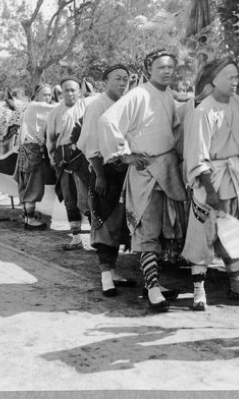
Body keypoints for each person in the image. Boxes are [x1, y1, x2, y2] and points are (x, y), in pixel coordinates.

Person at [99, 49, 187, 312]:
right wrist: (126, 156)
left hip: (168, 170)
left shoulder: (168, 94)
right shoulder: (138, 94)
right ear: (149, 69)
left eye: (170, 67)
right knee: (146, 230)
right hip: (146, 171)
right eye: (161, 67)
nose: (167, 71)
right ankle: (152, 288)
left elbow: (174, 128)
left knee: (163, 229)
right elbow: (107, 121)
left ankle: (153, 284)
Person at [182, 59, 239, 310]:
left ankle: (236, 285)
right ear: (214, 81)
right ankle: (199, 291)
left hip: (233, 177)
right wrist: (209, 190)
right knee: (202, 235)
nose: (235, 81)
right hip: (209, 179)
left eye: (236, 77)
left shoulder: (238, 102)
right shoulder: (202, 111)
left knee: (233, 231)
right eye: (229, 77)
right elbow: (197, 154)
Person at [76, 64, 136, 297]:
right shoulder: (96, 106)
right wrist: (100, 175)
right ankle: (105, 276)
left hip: (126, 171)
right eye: (117, 78)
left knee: (121, 223)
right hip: (104, 171)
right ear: (105, 81)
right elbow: (90, 144)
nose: (122, 83)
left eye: (125, 79)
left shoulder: (128, 104)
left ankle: (113, 270)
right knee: (104, 222)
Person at [46, 77, 91, 250]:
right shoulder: (54, 113)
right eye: (67, 90)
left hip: (83, 157)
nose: (70, 93)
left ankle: (96, 237)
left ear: (79, 92)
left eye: (73, 90)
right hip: (63, 159)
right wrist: (54, 160)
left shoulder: (86, 106)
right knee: (70, 199)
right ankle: (76, 238)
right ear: (61, 92)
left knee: (87, 197)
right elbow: (50, 139)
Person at [14, 84, 56, 230]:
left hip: (27, 149)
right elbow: (58, 109)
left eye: (49, 95)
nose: (47, 98)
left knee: (27, 184)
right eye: (44, 94)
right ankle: (30, 220)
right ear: (37, 95)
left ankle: (27, 217)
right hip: (32, 150)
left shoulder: (33, 107)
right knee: (33, 185)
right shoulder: (36, 106)